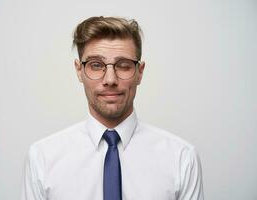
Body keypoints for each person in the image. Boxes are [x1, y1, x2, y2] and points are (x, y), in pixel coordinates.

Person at [21, 16, 204, 200]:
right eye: (96, 65)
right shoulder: (42, 158)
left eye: (123, 66)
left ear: (139, 73)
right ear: (79, 71)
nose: (110, 80)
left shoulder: (181, 158)